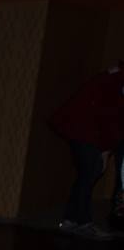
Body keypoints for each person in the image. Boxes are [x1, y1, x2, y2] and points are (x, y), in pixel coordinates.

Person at [49, 62, 124, 238]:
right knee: (91, 172)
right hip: (83, 128)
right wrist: (105, 149)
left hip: (78, 126)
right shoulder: (118, 80)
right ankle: (83, 223)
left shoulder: (114, 75)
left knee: (87, 174)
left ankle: (70, 220)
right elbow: (108, 117)